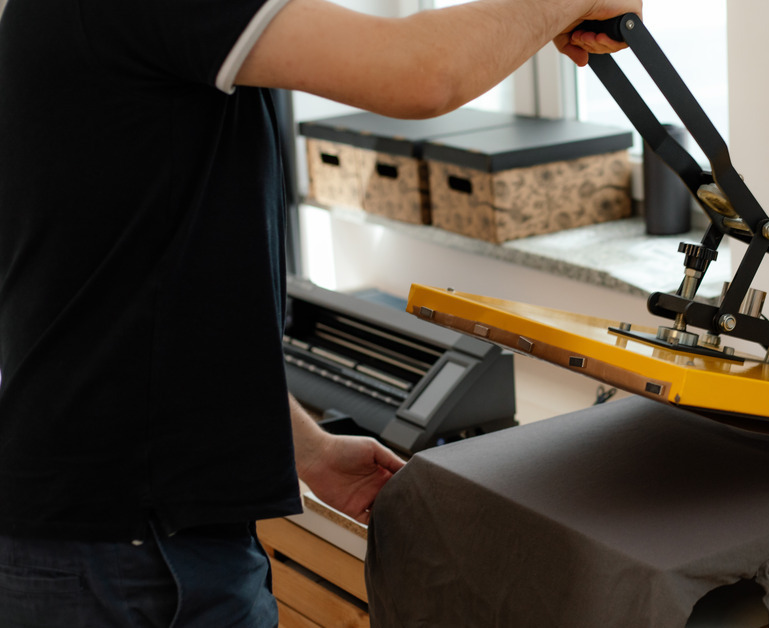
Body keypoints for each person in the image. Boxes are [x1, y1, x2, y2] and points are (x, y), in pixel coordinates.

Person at [0, 0, 639, 625]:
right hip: (124, 553)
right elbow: (421, 71)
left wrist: (308, 450)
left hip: (138, 533)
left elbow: (156, 306)